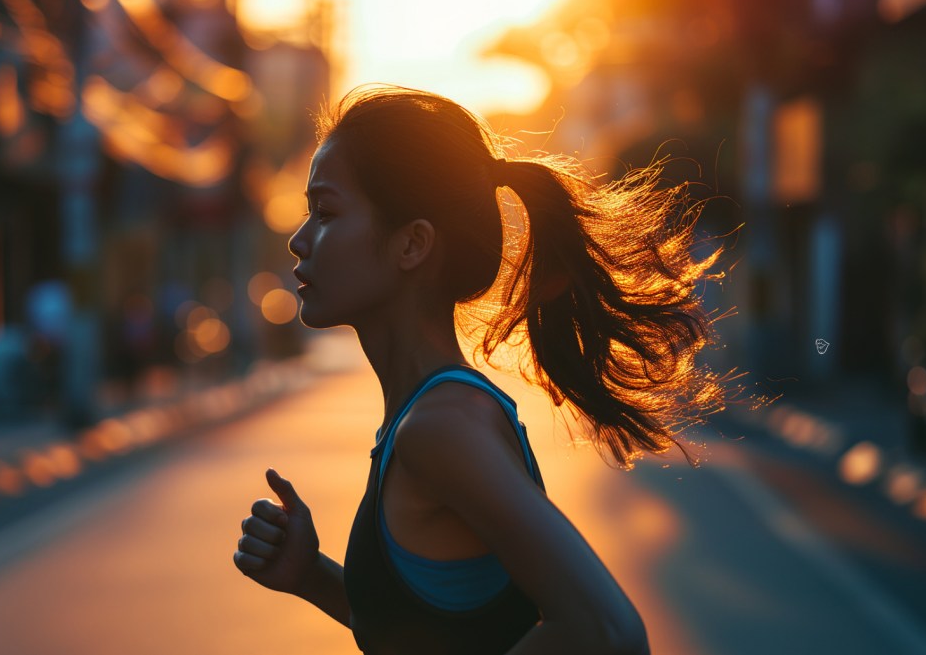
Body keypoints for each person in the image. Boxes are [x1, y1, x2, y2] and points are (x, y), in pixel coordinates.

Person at [234, 85, 729, 654]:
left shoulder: (440, 428)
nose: (299, 241)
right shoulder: (425, 418)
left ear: (412, 243)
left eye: (326, 212)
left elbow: (608, 632)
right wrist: (312, 578)